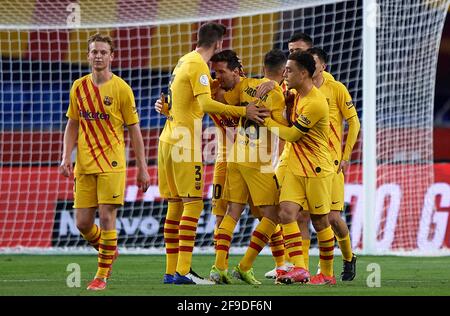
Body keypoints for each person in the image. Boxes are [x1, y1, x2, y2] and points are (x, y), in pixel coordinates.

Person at [156, 22, 269, 285]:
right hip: (185, 143)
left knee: (174, 206)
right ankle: (183, 271)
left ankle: (171, 271)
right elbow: (206, 104)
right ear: (218, 44)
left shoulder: (184, 60)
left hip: (167, 139)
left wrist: (166, 108)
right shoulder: (198, 67)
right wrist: (244, 112)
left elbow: (176, 101)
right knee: (193, 205)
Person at [59, 33, 150, 291]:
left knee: (107, 217)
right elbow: (72, 123)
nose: (98, 56)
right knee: (82, 223)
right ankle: (108, 249)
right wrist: (67, 156)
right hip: (85, 164)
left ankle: (101, 276)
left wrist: (142, 168)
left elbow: (134, 130)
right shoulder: (79, 87)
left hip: (112, 163)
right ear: (88, 55)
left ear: (112, 56)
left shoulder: (122, 89)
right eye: (94, 51)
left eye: (102, 52)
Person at [206, 49, 290, 284]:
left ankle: (219, 266)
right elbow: (284, 130)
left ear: (263, 68)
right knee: (273, 215)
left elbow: (225, 99)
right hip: (258, 161)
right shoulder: (278, 96)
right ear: (284, 72)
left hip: (235, 156)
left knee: (233, 211)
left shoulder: (245, 86)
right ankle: (245, 266)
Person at [263, 51, 336, 285]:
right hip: (295, 165)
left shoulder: (315, 103)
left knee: (320, 221)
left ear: (304, 73)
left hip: (317, 168)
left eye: (289, 70)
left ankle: (327, 273)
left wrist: (265, 121)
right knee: (286, 213)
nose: (285, 74)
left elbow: (293, 135)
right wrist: (268, 86)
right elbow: (278, 95)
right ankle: (300, 268)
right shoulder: (294, 94)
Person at [307, 47, 360, 280]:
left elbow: (354, 122)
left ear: (323, 66)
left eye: (314, 62)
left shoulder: (336, 88)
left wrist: (346, 156)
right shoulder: (299, 89)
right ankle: (295, 265)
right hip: (305, 162)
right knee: (298, 213)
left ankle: (348, 257)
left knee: (332, 218)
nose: (310, 65)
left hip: (332, 163)